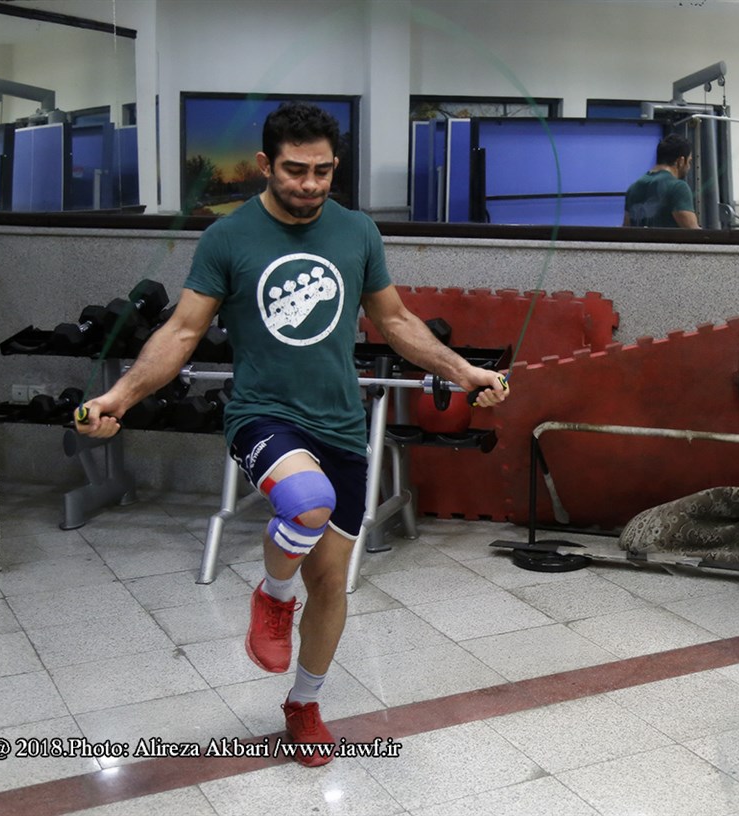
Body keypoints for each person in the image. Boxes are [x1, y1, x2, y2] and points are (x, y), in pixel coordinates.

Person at [76, 101, 509, 766]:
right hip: (262, 413)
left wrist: (464, 371)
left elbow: (395, 322)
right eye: (295, 170)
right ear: (264, 165)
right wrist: (119, 397)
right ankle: (274, 595)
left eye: (322, 172)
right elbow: (183, 331)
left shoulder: (357, 232)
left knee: (330, 582)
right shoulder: (228, 238)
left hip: (341, 423)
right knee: (307, 503)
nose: (309, 184)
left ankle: (304, 705)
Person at [623, 134, 700, 228]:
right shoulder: (678, 187)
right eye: (689, 162)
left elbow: (626, 229)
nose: (689, 167)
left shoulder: (633, 188)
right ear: (681, 161)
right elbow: (693, 232)